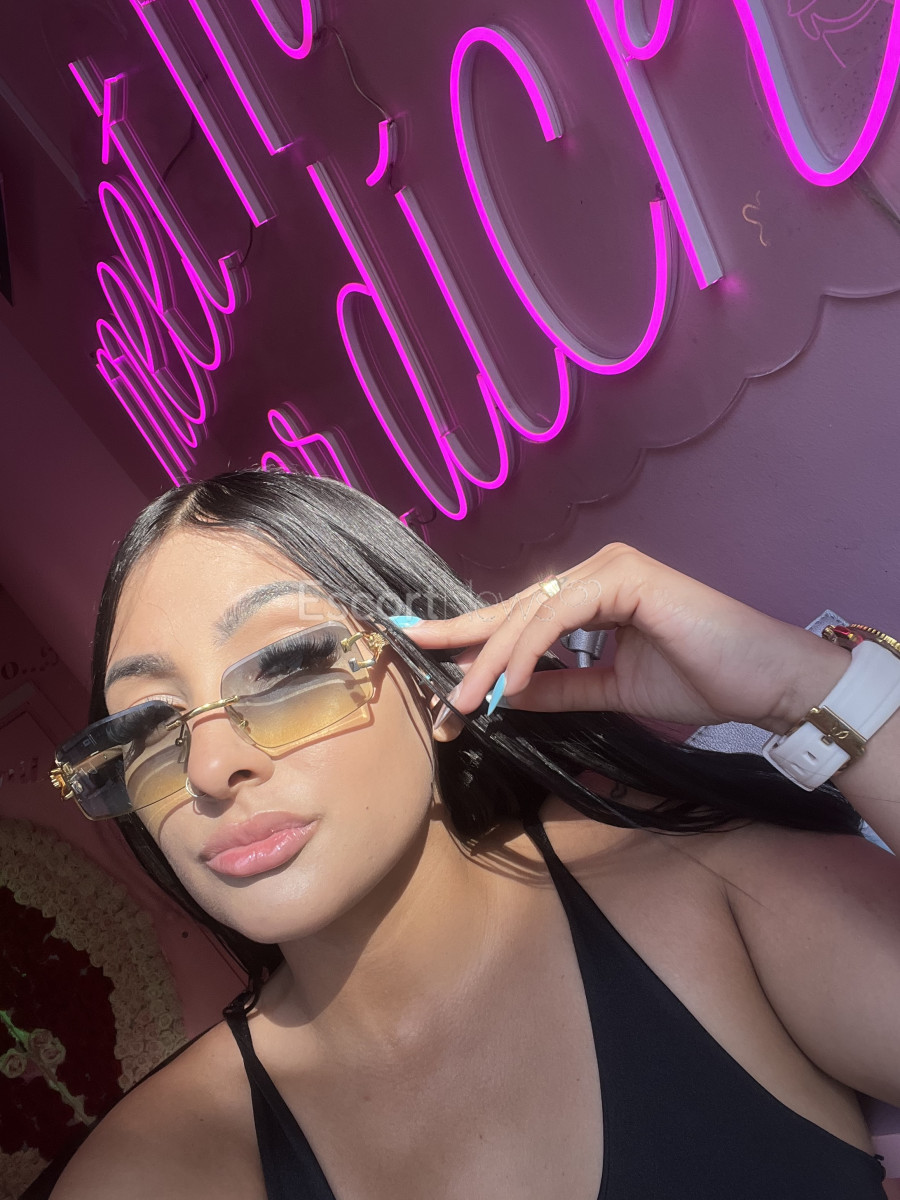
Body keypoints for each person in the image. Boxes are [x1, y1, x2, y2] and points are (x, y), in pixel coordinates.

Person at [47, 469, 899, 1200]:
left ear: (431, 675)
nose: (208, 767)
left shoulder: (709, 894)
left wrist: (808, 690)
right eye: (147, 728)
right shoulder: (157, 1167)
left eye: (287, 668)